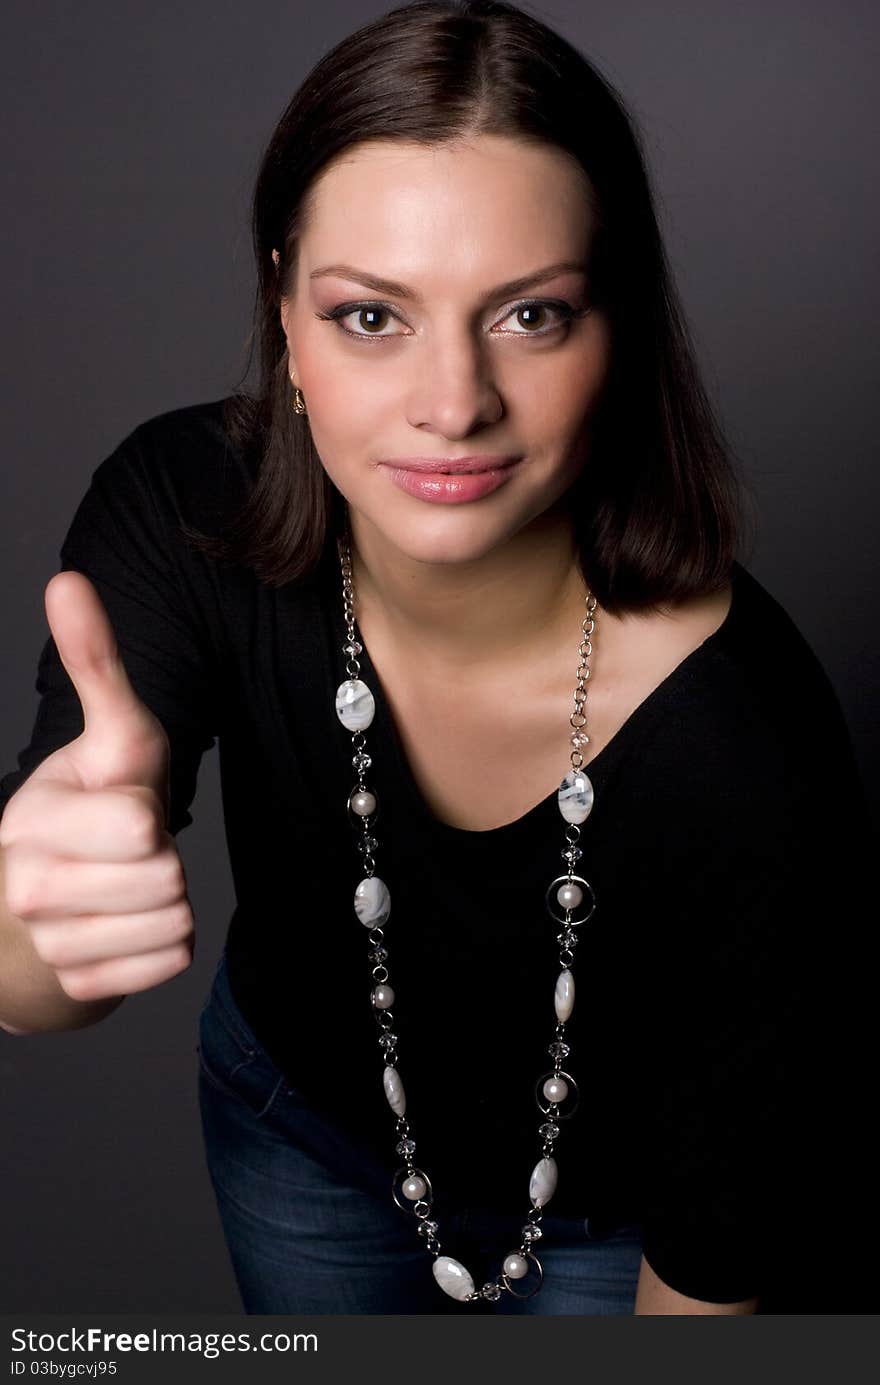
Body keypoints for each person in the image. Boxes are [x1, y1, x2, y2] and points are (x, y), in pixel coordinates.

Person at [0, 0, 872, 1315]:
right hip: (292, 1132)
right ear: (284, 316)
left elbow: (716, 1272)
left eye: (529, 315)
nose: (452, 400)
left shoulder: (750, 744)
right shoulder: (185, 509)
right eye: (370, 317)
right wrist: (29, 921)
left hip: (622, 1223)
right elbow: (30, 979)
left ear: (617, 329)